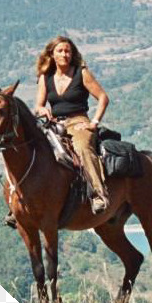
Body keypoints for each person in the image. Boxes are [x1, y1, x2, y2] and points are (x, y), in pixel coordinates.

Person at [34, 36, 111, 214]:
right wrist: (42, 110)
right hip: (53, 124)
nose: (64, 54)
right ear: (52, 54)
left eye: (68, 51)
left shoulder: (81, 73)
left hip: (79, 122)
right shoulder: (45, 78)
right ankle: (20, 203)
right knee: (29, 150)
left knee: (83, 148)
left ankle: (99, 195)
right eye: (60, 51)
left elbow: (103, 98)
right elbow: (38, 105)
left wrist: (94, 123)